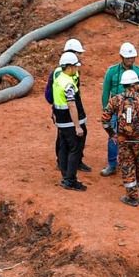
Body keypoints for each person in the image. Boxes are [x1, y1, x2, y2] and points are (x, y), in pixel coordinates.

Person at [102, 68, 139, 205]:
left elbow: (105, 119)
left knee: (127, 167)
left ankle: (132, 198)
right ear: (135, 84)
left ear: (123, 84)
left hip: (123, 139)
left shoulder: (116, 100)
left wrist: (112, 134)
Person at [49, 50, 88, 190]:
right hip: (70, 122)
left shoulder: (58, 79)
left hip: (61, 121)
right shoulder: (68, 84)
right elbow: (72, 104)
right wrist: (77, 126)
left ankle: (65, 177)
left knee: (64, 148)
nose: (77, 69)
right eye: (75, 66)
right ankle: (70, 180)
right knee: (75, 149)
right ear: (69, 67)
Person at [99, 42, 139, 175]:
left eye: (132, 58)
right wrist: (106, 110)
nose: (130, 60)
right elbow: (106, 92)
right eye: (128, 58)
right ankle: (112, 164)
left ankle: (131, 163)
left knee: (132, 136)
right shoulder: (112, 71)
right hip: (116, 110)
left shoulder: (138, 72)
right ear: (121, 57)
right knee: (113, 136)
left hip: (132, 110)